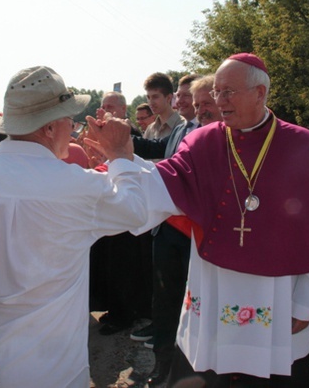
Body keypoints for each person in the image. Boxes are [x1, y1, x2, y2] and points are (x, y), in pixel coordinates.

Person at [104, 53, 309, 387]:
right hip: (215, 286)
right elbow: (162, 182)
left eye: (228, 92)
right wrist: (120, 158)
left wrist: (307, 304)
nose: (219, 101)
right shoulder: (202, 141)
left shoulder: (302, 144)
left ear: (260, 94)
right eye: (217, 92)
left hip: (278, 292)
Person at [0, 65, 156, 387]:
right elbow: (135, 211)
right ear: (50, 128)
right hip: (55, 372)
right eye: (69, 118)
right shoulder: (77, 187)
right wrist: (120, 154)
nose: (73, 126)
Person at [130, 75, 216, 385]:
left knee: (198, 302)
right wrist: (123, 141)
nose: (190, 104)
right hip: (168, 231)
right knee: (165, 300)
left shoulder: (227, 134)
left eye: (202, 101)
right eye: (188, 98)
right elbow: (161, 155)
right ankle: (162, 366)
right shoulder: (181, 129)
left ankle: (197, 368)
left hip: (203, 234)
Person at [89, 91, 153, 336]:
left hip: (131, 209)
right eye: (103, 106)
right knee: (110, 265)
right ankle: (116, 309)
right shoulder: (105, 132)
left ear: (123, 110)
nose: (104, 110)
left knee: (125, 267)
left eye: (110, 106)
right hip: (112, 204)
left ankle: (126, 314)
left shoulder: (130, 134)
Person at [143, 72, 184, 141]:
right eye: (148, 97)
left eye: (155, 97)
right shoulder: (150, 129)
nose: (150, 102)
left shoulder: (183, 124)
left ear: (168, 98)